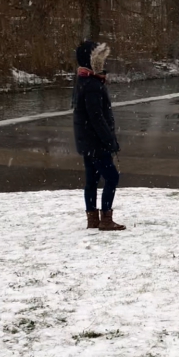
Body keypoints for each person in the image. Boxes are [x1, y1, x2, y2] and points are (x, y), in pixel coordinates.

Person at [73, 40, 125, 231]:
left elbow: (88, 116)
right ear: (92, 60)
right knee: (112, 177)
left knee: (92, 180)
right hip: (96, 143)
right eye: (100, 58)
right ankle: (105, 219)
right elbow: (97, 118)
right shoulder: (92, 84)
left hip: (87, 142)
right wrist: (110, 141)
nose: (103, 62)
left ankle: (93, 219)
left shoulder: (83, 81)